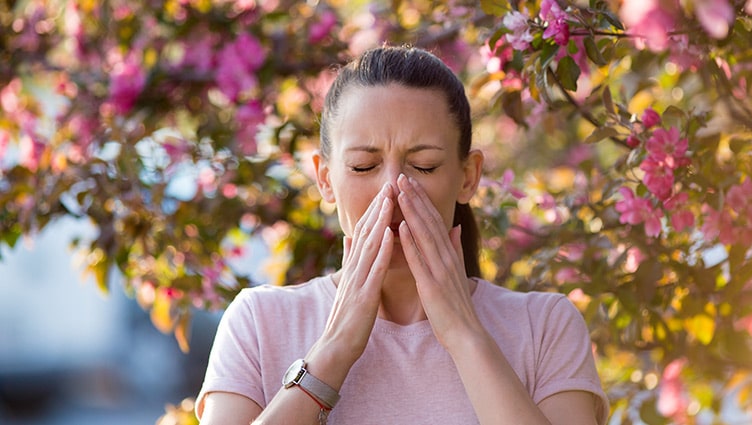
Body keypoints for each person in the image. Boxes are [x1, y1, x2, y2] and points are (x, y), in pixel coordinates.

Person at [195, 45, 609, 425]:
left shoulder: (544, 327)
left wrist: (464, 335)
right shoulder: (259, 322)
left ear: (468, 177)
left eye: (424, 166)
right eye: (362, 167)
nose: (392, 189)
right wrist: (334, 349)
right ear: (324, 178)